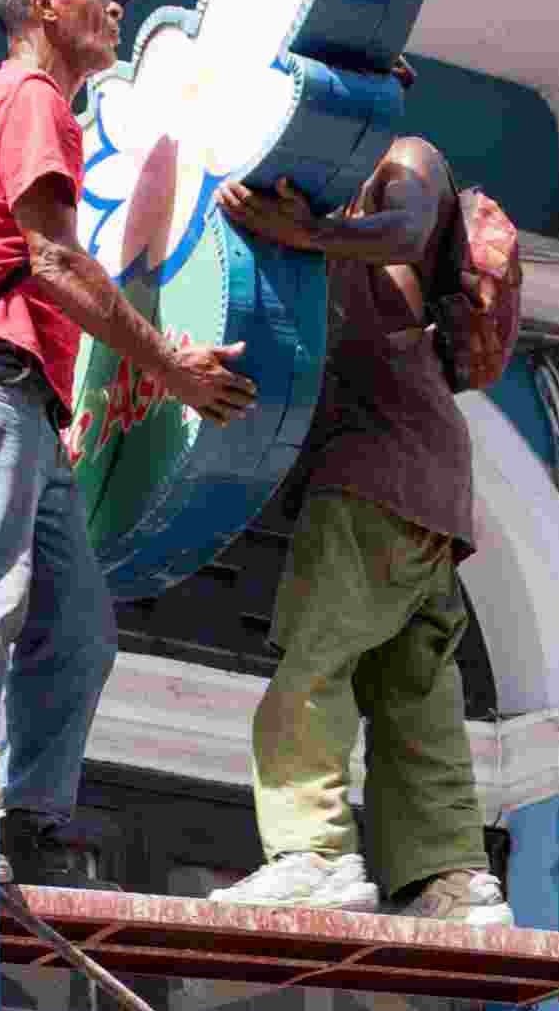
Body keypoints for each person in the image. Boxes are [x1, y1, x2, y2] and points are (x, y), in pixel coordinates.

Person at [0, 0, 257, 881]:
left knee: (76, 630)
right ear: (45, 5)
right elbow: (54, 260)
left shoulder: (34, 103)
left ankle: (30, 825)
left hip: (20, 402)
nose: (116, 11)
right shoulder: (30, 99)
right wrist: (168, 366)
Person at [209, 133, 512, 926]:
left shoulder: (403, 161)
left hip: (371, 477)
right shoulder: (342, 202)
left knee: (315, 669)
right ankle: (448, 879)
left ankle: (311, 855)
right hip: (428, 488)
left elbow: (406, 229)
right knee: (415, 697)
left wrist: (304, 234)